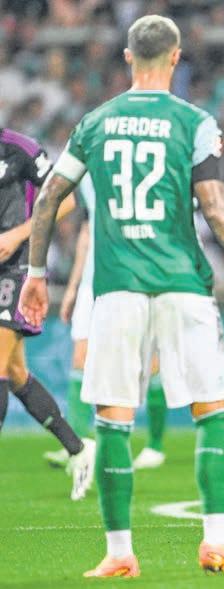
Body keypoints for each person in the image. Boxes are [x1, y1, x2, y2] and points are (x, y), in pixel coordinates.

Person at [18, 15, 224, 577]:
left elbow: (49, 199)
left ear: (127, 57)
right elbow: (216, 208)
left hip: (116, 287)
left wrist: (36, 273)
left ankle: (119, 553)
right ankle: (216, 541)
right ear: (176, 57)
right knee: (211, 410)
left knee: (112, 419)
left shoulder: (95, 122)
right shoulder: (194, 122)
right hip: (183, 284)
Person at [43, 176, 169, 470]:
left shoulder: (139, 168)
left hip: (134, 278)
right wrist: (73, 287)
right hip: (93, 281)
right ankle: (75, 445)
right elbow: (88, 232)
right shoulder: (90, 175)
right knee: (80, 358)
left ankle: (155, 444)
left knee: (150, 362)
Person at [0, 127, 95, 501]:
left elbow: (66, 199)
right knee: (16, 373)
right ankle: (78, 449)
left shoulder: (18, 149)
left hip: (15, 268)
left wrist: (18, 235)